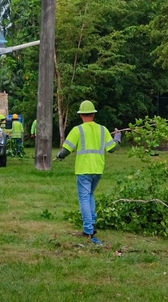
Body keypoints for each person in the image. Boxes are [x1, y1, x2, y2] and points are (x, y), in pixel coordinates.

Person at [56, 100, 118, 244]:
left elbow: (66, 150)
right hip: (98, 169)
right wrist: (118, 139)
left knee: (84, 198)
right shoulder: (103, 130)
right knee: (90, 195)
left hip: (84, 169)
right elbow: (113, 148)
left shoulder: (78, 130)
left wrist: (59, 156)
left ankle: (88, 230)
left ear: (81, 115)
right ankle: (92, 223)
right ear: (93, 115)